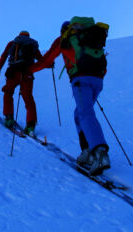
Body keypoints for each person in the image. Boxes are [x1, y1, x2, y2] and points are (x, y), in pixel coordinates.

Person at [31, 19, 111, 175]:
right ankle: (87, 151)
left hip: (81, 80)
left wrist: (28, 70)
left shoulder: (64, 39)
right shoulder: (90, 38)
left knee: (85, 113)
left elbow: (46, 60)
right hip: (98, 80)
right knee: (79, 114)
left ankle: (100, 153)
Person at [0, 30, 42, 135]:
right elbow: (41, 59)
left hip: (13, 72)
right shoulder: (32, 45)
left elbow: (4, 57)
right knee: (28, 97)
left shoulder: (12, 43)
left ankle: (9, 118)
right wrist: (50, 64)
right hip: (27, 74)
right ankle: (31, 125)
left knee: (8, 92)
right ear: (28, 36)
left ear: (19, 35)